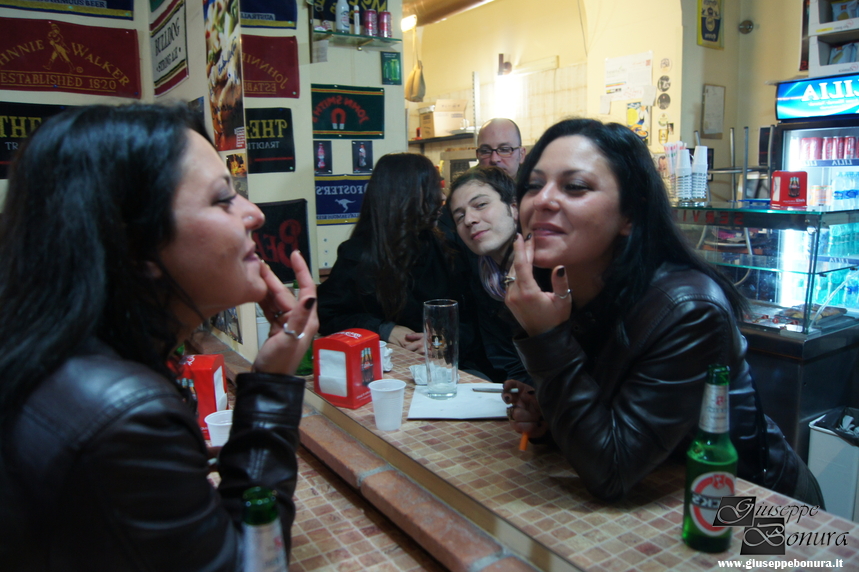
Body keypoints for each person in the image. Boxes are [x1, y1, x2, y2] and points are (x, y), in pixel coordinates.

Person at [0, 103, 318, 570]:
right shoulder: (127, 417)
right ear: (136, 247)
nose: (253, 214)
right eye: (223, 198)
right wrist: (271, 387)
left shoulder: (66, 359)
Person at [501, 118, 823, 506]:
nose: (543, 200)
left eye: (575, 187)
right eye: (535, 185)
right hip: (663, 491)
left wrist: (547, 340)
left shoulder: (688, 309)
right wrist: (548, 421)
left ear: (630, 216)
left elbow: (612, 471)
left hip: (754, 505)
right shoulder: (567, 287)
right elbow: (609, 417)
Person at [317, 153, 491, 376]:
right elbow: (328, 315)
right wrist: (384, 329)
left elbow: (475, 321)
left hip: (450, 367)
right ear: (404, 195)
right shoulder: (357, 255)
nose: (441, 196)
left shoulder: (449, 246)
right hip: (387, 371)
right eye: (432, 188)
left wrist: (444, 340)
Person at [447, 166, 530, 383]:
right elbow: (505, 357)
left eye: (481, 205)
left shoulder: (546, 266)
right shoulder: (485, 278)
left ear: (514, 208)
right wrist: (524, 393)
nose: (469, 220)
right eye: (459, 216)